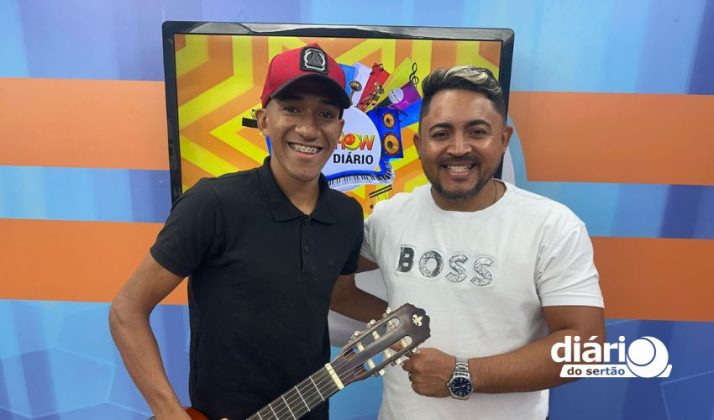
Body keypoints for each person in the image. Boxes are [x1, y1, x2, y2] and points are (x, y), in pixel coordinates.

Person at [109, 43, 384, 420]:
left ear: (340, 129)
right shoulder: (213, 204)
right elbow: (127, 310)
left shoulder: (347, 215)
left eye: (325, 114)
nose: (308, 128)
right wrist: (169, 412)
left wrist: (408, 317)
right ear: (264, 120)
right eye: (292, 109)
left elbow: (339, 292)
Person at [356, 66, 605, 419]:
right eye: (441, 133)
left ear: (503, 140)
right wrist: (394, 326)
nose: (459, 148)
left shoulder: (551, 226)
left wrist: (463, 374)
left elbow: (585, 348)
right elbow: (328, 279)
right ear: (419, 144)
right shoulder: (389, 217)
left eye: (477, 132)